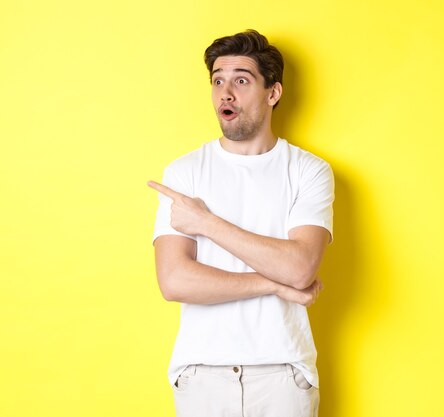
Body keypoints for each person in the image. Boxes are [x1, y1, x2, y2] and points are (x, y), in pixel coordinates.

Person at [148, 29, 334, 417]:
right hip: (202, 375)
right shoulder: (185, 172)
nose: (225, 93)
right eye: (217, 80)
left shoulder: (308, 171)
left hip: (284, 374)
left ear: (273, 93)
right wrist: (271, 283)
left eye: (241, 80)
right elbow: (175, 281)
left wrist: (205, 222)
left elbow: (299, 268)